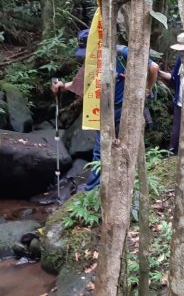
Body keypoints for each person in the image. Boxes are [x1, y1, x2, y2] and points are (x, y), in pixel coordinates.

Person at [52, 29, 159, 190]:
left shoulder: (121, 53)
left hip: (124, 109)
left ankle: (98, 189)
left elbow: (154, 68)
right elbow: (84, 82)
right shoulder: (93, 59)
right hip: (104, 109)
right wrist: (62, 86)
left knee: (111, 149)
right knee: (103, 149)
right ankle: (99, 187)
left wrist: (147, 89)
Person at [158, 33, 184, 155]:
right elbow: (173, 77)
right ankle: (171, 153)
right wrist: (158, 72)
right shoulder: (181, 58)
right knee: (176, 131)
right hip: (179, 101)